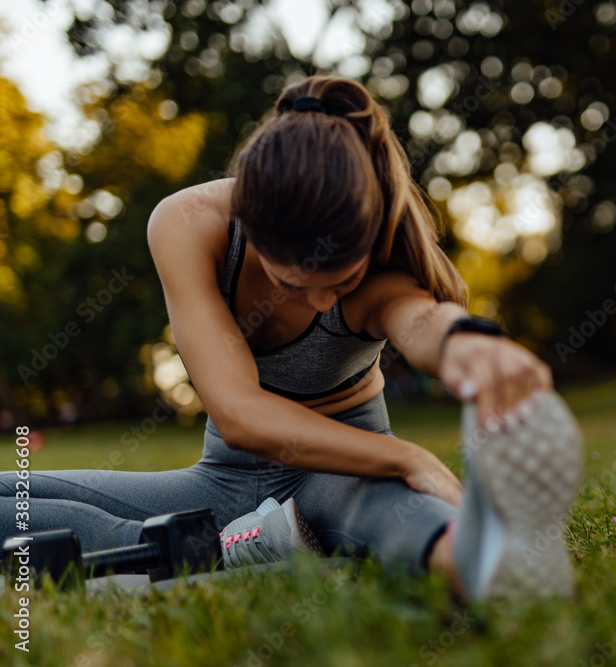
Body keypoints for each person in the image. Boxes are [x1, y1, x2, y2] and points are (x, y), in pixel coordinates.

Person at [0, 75, 582, 600]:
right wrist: (407, 455)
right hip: (224, 478)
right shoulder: (186, 224)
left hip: (344, 469)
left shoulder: (378, 254)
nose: (324, 300)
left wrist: (467, 343)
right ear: (248, 224)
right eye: (293, 283)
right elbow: (239, 414)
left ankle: (487, 561)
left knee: (397, 517)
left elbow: (421, 320)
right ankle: (215, 550)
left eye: (343, 281)